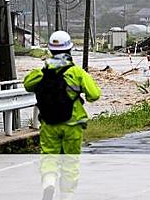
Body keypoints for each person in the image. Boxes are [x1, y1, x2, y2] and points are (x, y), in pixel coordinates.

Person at [24, 31, 101, 199]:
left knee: (49, 156)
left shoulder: (40, 72)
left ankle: (49, 183)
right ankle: (66, 196)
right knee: (70, 162)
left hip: (49, 123)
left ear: (50, 50)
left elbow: (27, 85)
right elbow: (94, 95)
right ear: (70, 49)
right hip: (72, 124)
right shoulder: (76, 73)